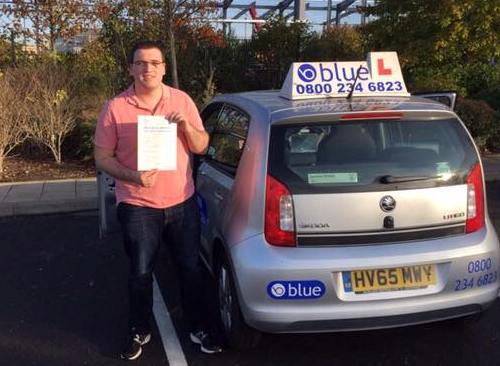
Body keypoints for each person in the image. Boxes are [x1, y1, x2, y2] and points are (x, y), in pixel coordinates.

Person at [94, 40, 222, 360]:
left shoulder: (181, 100)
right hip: (137, 204)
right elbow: (102, 157)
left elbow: (202, 145)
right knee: (140, 271)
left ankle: (198, 325)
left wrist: (186, 126)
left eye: (154, 62)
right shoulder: (115, 107)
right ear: (131, 68)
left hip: (181, 201)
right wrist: (132, 176)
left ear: (163, 67)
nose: (147, 68)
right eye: (141, 63)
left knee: (190, 269)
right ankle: (138, 328)